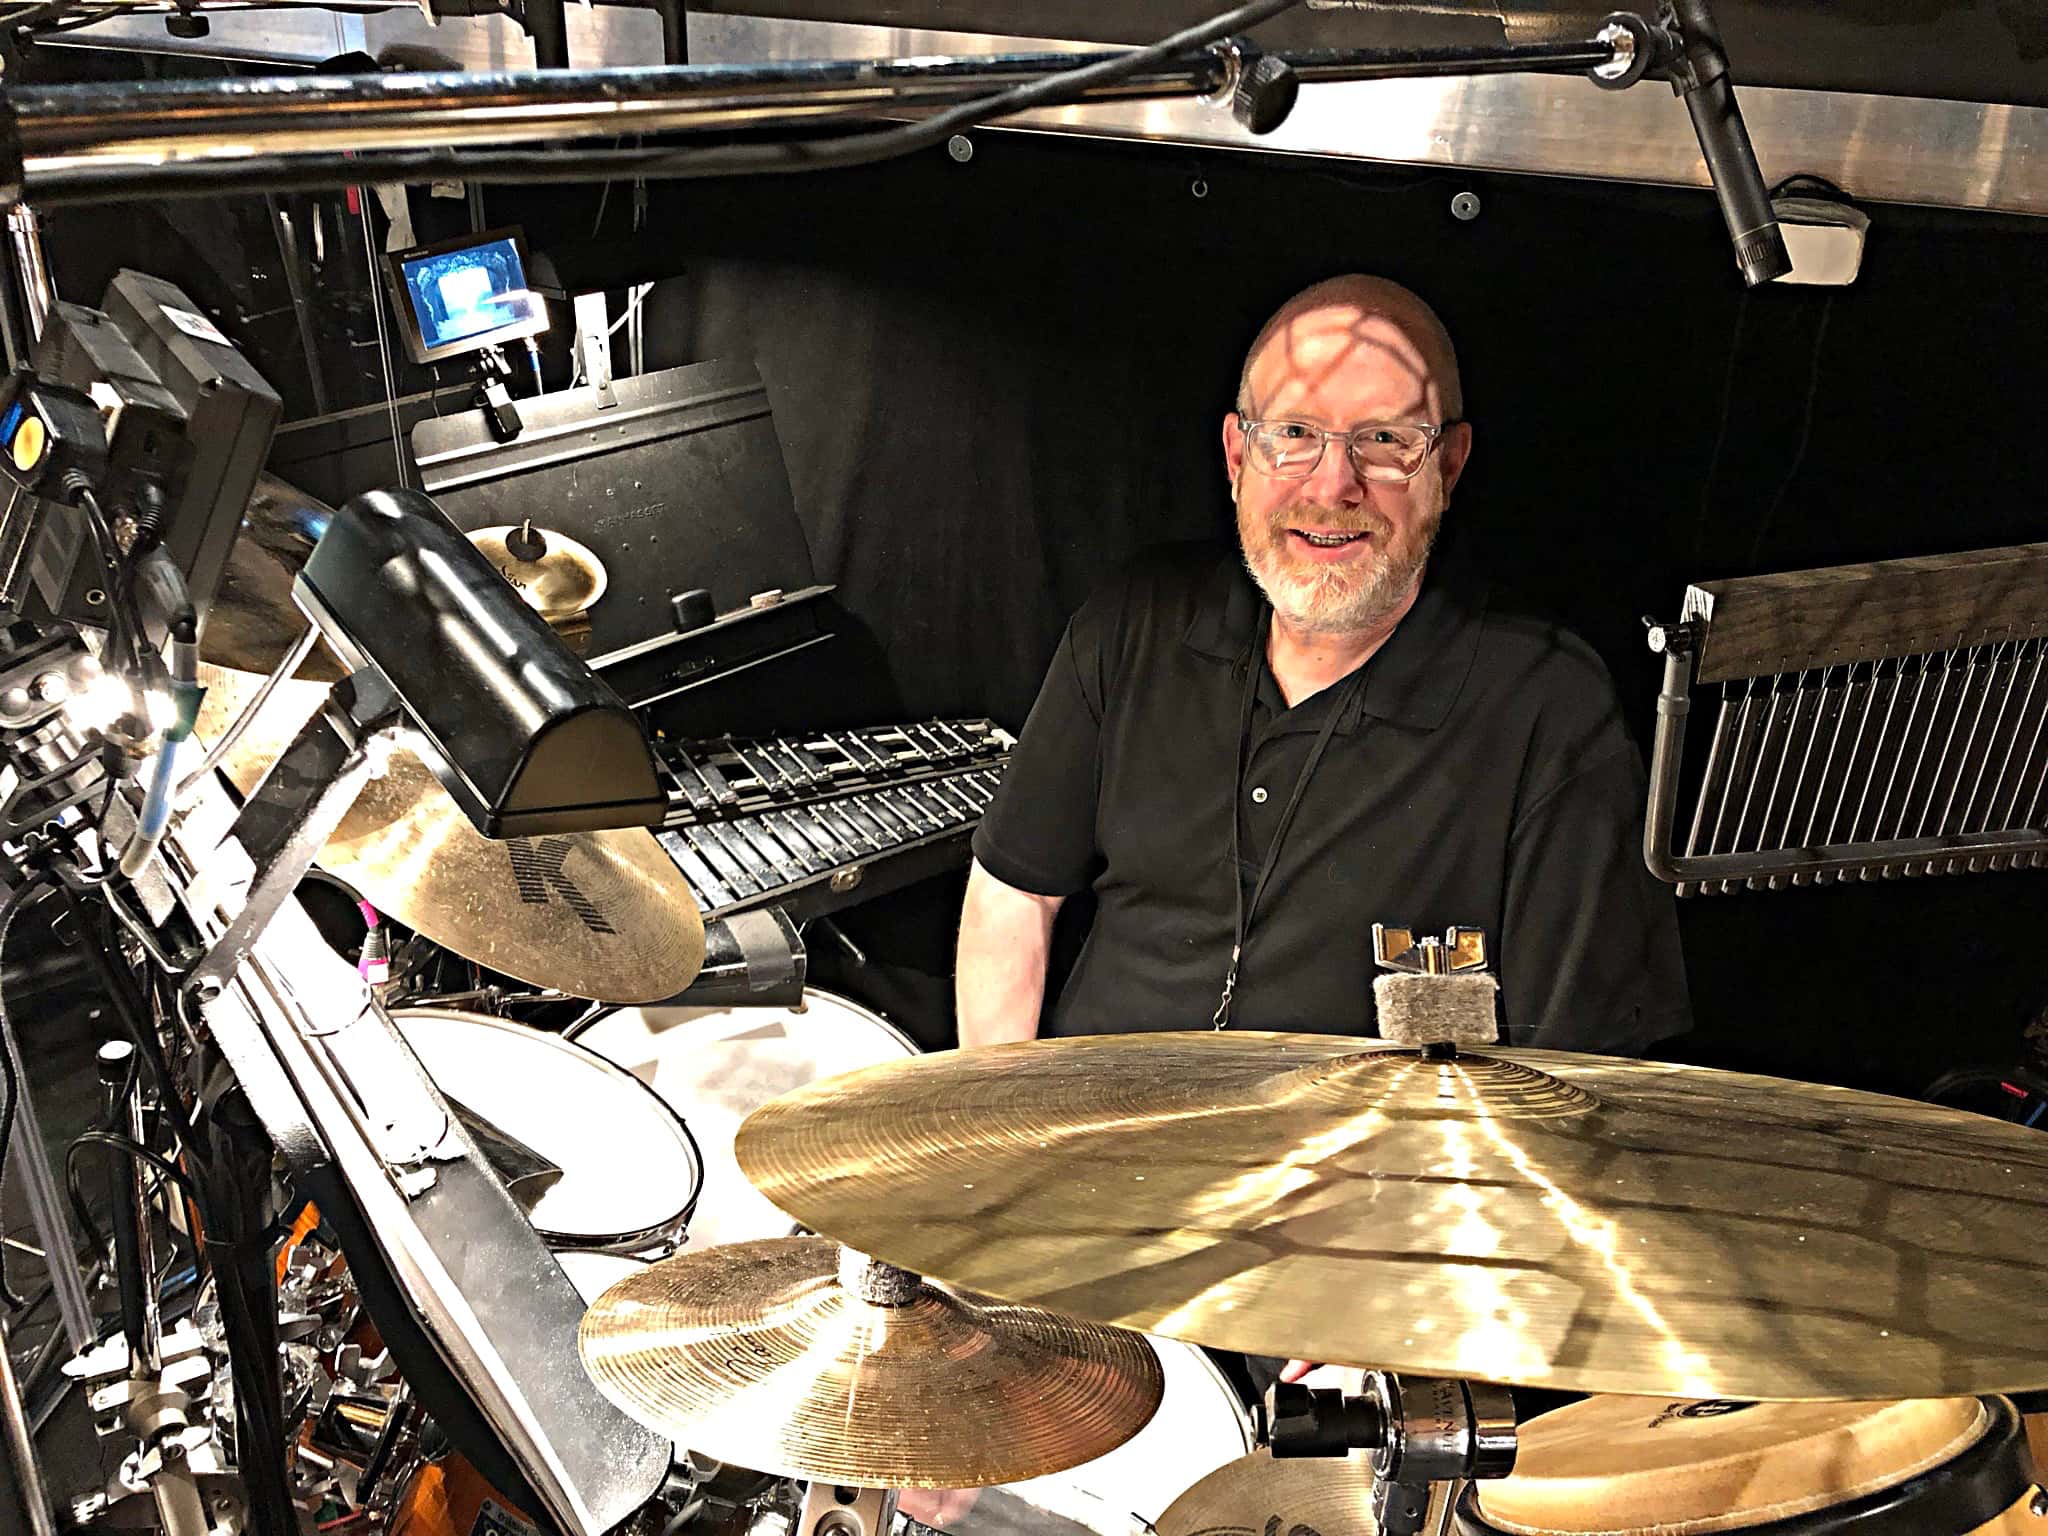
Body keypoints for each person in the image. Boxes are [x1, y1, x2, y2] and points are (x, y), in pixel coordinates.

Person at [957, 273, 1690, 1052]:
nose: (1333, 485)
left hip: (1376, 1171)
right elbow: (1014, 896)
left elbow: (1586, 1064)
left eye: (1384, 440)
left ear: (1448, 466)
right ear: (1238, 454)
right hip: (1089, 1144)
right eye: (1295, 434)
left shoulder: (1549, 705)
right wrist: (995, 1135)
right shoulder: (1134, 621)